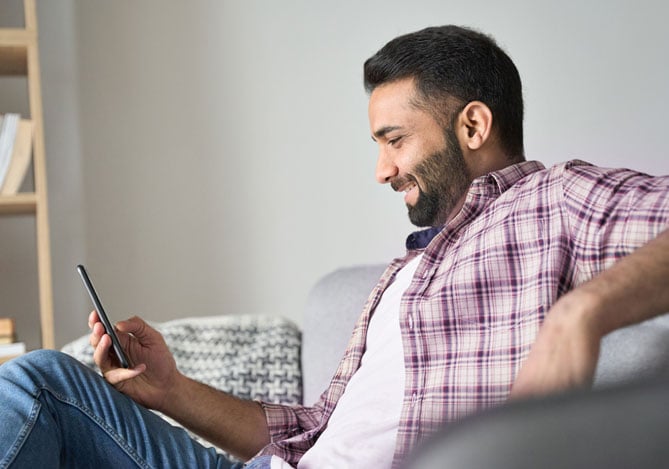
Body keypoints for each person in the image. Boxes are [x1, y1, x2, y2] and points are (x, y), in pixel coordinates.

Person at [1, 24, 669, 469]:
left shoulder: (552, 200)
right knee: (45, 383)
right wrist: (167, 388)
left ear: (472, 123)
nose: (380, 171)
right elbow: (307, 428)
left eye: (394, 139)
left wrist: (581, 313)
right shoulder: (404, 274)